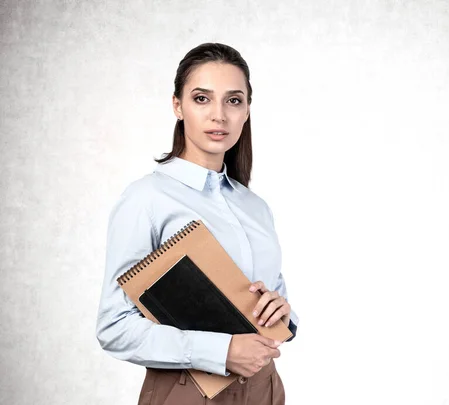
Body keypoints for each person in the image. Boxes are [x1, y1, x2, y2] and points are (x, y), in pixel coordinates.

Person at [96, 42, 299, 405]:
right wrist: (220, 351)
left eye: (233, 100)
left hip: (263, 388)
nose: (219, 115)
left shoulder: (256, 207)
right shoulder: (147, 199)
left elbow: (272, 295)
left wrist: (284, 313)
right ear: (178, 105)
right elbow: (114, 328)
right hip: (187, 392)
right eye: (202, 99)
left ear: (247, 110)